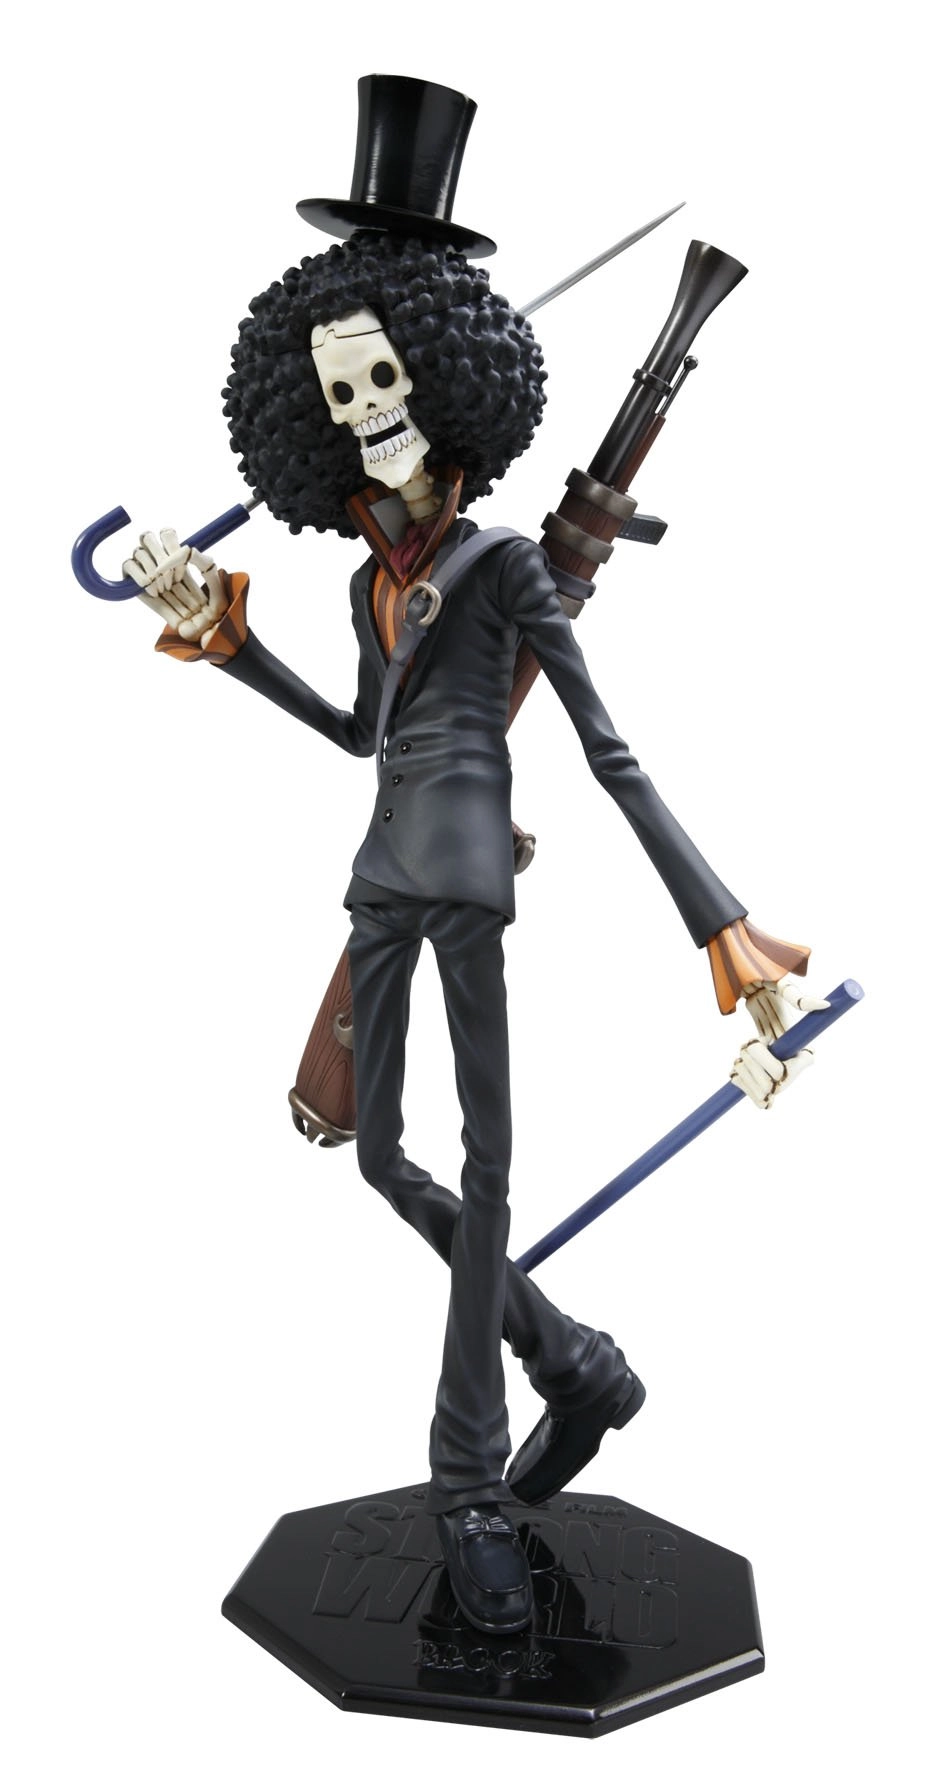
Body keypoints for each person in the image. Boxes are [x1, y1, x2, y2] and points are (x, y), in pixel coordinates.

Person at [122, 77, 818, 1636]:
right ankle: (571, 1361)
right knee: (381, 1156)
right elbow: (360, 732)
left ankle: (470, 1484)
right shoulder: (371, 580)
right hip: (380, 882)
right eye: (340, 387)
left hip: (469, 894)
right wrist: (225, 640)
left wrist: (719, 922)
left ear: (445, 379)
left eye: (384, 374)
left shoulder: (506, 565)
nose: (368, 407)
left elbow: (610, 746)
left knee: (490, 1168)